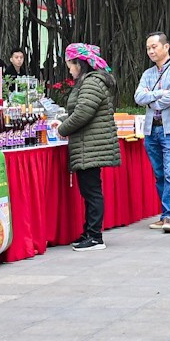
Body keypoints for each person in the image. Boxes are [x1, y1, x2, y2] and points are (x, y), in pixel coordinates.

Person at [56, 43, 121, 252]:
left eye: (70, 65)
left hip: (90, 146)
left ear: (80, 63)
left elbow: (83, 112)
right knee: (89, 190)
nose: (70, 70)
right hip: (89, 145)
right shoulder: (89, 81)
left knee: (92, 191)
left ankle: (95, 236)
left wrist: (63, 129)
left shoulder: (91, 82)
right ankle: (89, 232)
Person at [136, 32, 170, 233]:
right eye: (148, 48)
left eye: (154, 47)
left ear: (166, 47)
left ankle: (168, 215)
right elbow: (139, 97)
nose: (150, 51)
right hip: (152, 129)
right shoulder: (147, 74)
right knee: (159, 174)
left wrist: (152, 99)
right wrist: (159, 94)